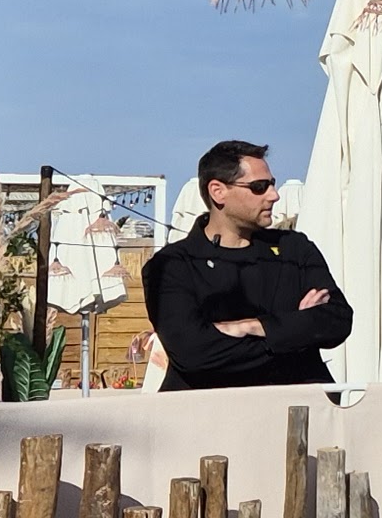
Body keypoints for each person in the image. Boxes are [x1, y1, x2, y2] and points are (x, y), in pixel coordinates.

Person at [146, 139, 352, 391]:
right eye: (259, 187)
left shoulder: (294, 248)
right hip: (208, 410)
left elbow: (338, 320)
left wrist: (253, 326)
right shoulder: (172, 265)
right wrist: (295, 331)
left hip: (297, 406)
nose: (274, 195)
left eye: (272, 184)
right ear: (218, 191)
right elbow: (193, 353)